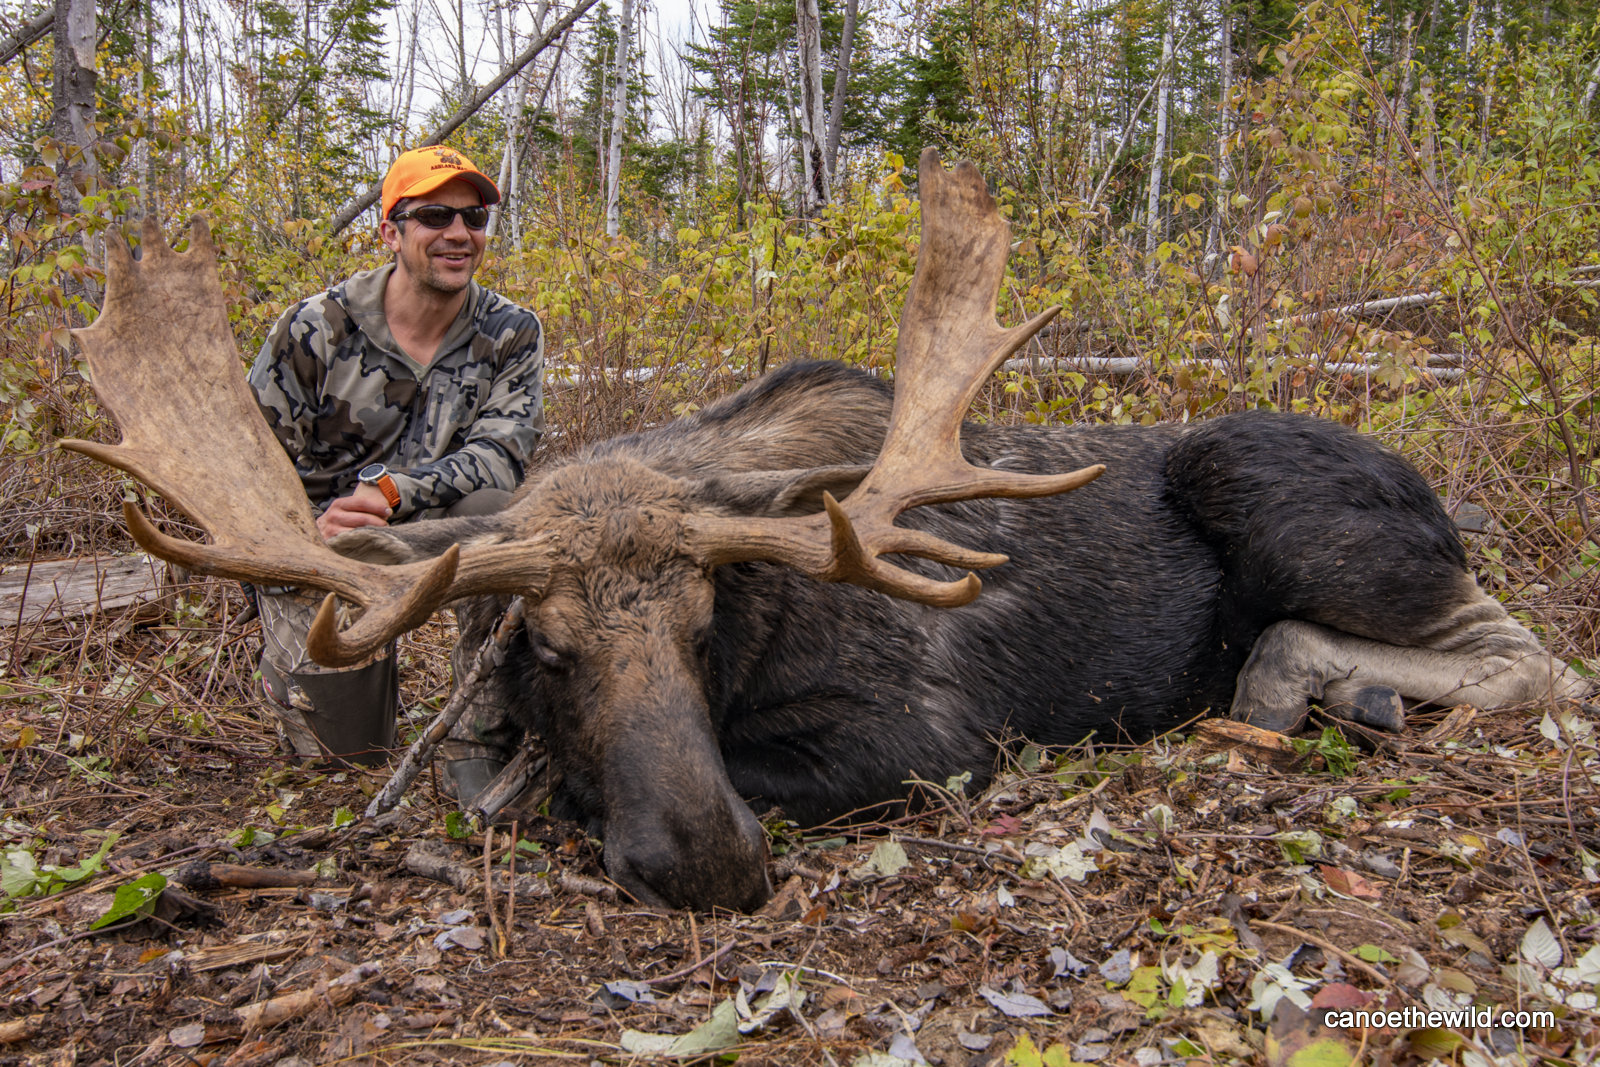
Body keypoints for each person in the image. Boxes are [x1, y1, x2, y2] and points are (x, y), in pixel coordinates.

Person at [247, 145, 542, 802]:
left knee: (502, 511)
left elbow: (501, 455)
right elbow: (250, 471)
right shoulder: (315, 328)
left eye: (475, 216)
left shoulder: (511, 331)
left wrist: (390, 491)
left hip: (431, 526)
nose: (460, 234)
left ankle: (478, 732)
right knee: (346, 759)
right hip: (325, 546)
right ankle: (288, 668)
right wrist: (304, 536)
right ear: (391, 231)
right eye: (435, 215)